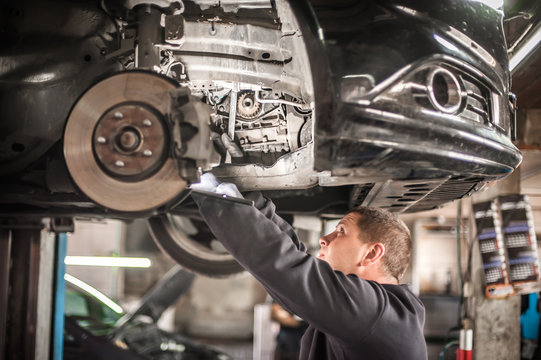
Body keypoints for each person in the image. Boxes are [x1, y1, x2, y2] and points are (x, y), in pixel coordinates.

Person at [191, 173, 427, 360]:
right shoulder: (377, 313)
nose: (325, 239)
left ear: (372, 253)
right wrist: (246, 195)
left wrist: (213, 194)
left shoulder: (375, 314)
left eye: (341, 231)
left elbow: (287, 268)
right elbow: (293, 260)